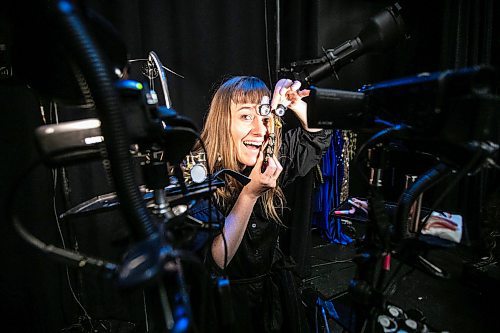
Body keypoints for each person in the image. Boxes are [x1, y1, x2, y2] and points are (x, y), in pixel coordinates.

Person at [190, 76, 332, 332]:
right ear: (223, 124)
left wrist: (294, 104)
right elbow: (216, 262)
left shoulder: (270, 159)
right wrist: (249, 195)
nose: (260, 129)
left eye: (264, 116)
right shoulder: (198, 176)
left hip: (269, 300)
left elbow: (318, 137)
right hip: (225, 306)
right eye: (246, 116)